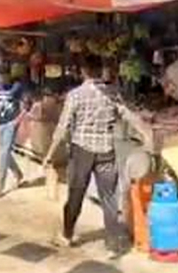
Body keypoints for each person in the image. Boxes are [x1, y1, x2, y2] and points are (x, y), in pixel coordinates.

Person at [43, 55, 129, 258]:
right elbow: (124, 115)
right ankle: (112, 245)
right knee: (109, 197)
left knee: (76, 194)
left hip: (82, 150)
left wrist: (49, 154)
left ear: (83, 71)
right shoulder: (113, 93)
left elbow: (63, 126)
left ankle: (67, 235)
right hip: (106, 149)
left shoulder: (75, 95)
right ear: (101, 70)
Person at [0, 65, 25, 198]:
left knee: (4, 152)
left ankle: (0, 184)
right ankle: (18, 173)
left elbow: (26, 105)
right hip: (0, 122)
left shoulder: (17, 87)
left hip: (11, 122)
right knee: (4, 152)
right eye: (0, 76)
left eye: (5, 76)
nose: (3, 79)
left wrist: (18, 119)